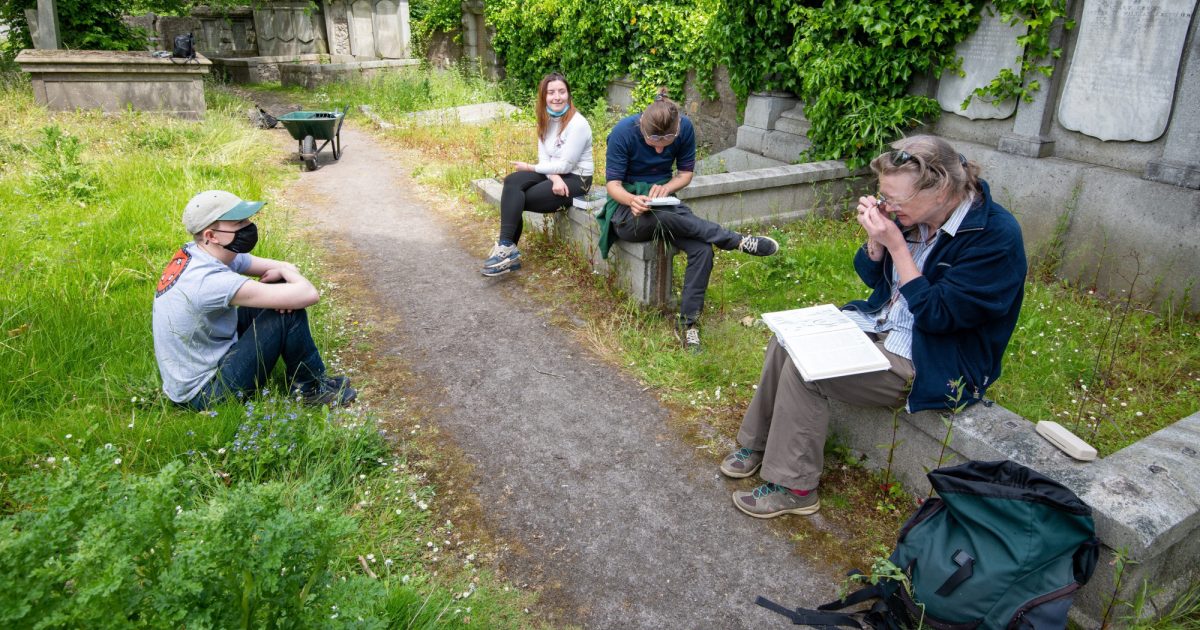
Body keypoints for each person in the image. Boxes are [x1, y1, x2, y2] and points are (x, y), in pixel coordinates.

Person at [721, 135, 1027, 518]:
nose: (888, 207)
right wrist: (876, 243)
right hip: (882, 322)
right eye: (884, 197)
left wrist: (897, 246)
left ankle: (795, 487)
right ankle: (758, 442)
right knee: (787, 340)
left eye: (896, 200)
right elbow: (872, 277)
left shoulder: (994, 237)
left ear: (941, 190)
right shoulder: (917, 215)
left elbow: (939, 316)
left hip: (935, 358)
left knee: (808, 370)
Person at [600, 89, 780, 352]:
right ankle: (734, 240)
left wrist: (667, 188)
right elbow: (612, 185)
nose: (660, 148)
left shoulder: (685, 127)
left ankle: (688, 325)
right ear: (642, 127)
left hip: (666, 207)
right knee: (665, 217)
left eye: (667, 142)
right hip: (628, 214)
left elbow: (685, 174)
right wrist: (632, 200)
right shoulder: (623, 132)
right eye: (653, 142)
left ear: (676, 130)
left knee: (703, 249)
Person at [152, 190, 356, 410]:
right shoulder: (208, 280)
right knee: (287, 309)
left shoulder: (205, 252)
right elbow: (308, 294)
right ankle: (310, 390)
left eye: (247, 220)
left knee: (282, 292)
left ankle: (314, 379)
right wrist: (286, 277)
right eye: (239, 223)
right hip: (205, 393)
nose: (249, 226)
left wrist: (283, 273)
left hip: (208, 360)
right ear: (211, 235)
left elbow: (285, 267)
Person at [483, 72, 594, 276]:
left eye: (561, 92)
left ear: (569, 95)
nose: (557, 97)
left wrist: (530, 167)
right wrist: (554, 176)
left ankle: (508, 254)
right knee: (512, 182)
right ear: (544, 96)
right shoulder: (545, 120)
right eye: (551, 92)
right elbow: (545, 159)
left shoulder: (578, 124)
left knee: (518, 199)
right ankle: (506, 247)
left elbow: (566, 165)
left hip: (577, 178)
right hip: (555, 172)